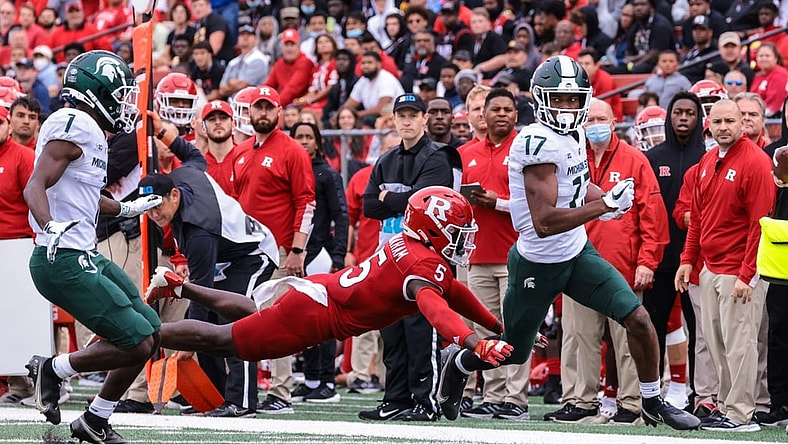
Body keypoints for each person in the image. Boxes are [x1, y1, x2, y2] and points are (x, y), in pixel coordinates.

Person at [436, 55, 701, 432]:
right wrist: (603, 206)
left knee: (639, 320)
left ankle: (652, 400)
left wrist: (604, 197)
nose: (567, 107)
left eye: (574, 99)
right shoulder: (535, 142)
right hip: (537, 262)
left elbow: (575, 183)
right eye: (558, 99)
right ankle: (459, 363)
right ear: (541, 98)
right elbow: (544, 222)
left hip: (577, 254)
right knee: (513, 350)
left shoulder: (573, 133)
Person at [146, 186, 515, 410]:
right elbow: (437, 311)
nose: (464, 238)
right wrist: (473, 342)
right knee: (225, 341)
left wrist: (496, 327)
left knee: (252, 311)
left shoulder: (414, 248)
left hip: (317, 293)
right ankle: (146, 331)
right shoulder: (421, 265)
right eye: (456, 231)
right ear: (432, 228)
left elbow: (453, 292)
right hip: (315, 315)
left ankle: (179, 286)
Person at [22, 50, 163, 444]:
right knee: (134, 339)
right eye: (120, 95)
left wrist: (125, 206)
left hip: (82, 253)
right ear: (96, 91)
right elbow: (35, 185)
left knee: (150, 332)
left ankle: (95, 419)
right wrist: (50, 227)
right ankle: (54, 369)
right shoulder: (76, 123)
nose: (125, 106)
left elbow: (85, 195)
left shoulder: (91, 132)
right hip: (61, 256)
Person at [549, 98, 669, 424]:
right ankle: (580, 401)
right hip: (576, 264)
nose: (594, 125)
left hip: (623, 267)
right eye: (588, 120)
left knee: (629, 339)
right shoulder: (571, 160)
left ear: (615, 122)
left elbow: (652, 215)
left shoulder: (634, 160)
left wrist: (648, 261)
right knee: (578, 338)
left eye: (601, 118)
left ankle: (632, 403)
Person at [360, 94, 462, 422]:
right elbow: (369, 206)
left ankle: (425, 402)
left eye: (412, 115)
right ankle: (396, 399)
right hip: (389, 256)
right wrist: (399, 199)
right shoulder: (386, 159)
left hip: (424, 257)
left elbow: (426, 202)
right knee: (392, 330)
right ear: (393, 119)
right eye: (400, 115)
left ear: (423, 119)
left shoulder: (437, 156)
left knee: (421, 330)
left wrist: (389, 196)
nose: (406, 121)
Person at [675, 99, 775, 432]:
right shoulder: (707, 161)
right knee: (717, 343)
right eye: (717, 121)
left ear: (741, 124)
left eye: (730, 121)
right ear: (709, 124)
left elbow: (759, 224)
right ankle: (726, 405)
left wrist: (747, 275)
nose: (723, 127)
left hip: (738, 270)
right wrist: (688, 259)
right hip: (711, 268)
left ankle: (741, 413)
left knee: (740, 344)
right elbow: (698, 218)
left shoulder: (756, 163)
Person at [231, 86, 316, 415]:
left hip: (280, 247)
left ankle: (281, 392)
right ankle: (248, 388)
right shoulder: (241, 151)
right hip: (248, 247)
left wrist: (297, 249)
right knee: (247, 315)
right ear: (250, 112)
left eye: (269, 108)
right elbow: (238, 202)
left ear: (279, 112)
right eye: (258, 108)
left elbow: (306, 201)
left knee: (279, 318)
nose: (263, 113)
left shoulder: (293, 150)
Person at [457, 88, 530, 421]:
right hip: (476, 254)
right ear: (481, 116)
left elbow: (537, 202)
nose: (501, 114)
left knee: (516, 328)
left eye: (507, 109)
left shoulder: (524, 149)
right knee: (486, 330)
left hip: (516, 253)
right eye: (495, 109)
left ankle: (516, 398)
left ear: (516, 115)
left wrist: (496, 203)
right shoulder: (464, 154)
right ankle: (493, 394)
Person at [288, 122, 349, 403]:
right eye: (298, 136)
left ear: (317, 142)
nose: (302, 142)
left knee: (322, 322)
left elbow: (342, 216)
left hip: (319, 254)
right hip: (294, 253)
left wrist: (337, 257)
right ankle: (311, 378)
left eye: (308, 137)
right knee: (301, 321)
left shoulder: (327, 173)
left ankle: (326, 381)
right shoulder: (289, 169)